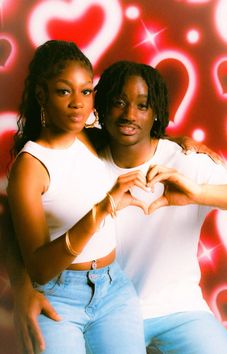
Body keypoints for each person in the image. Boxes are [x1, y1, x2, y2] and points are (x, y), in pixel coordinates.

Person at [3, 59, 227, 354]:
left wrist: (198, 193)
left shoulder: (184, 160)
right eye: (118, 103)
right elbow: (13, 216)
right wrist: (22, 289)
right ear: (100, 108)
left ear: (157, 112)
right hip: (100, 306)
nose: (129, 115)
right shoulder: (83, 152)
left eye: (143, 106)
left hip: (178, 309)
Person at [6, 42, 148, 354]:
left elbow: (136, 132)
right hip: (58, 298)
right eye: (63, 91)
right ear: (42, 96)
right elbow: (40, 268)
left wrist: (184, 141)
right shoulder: (30, 167)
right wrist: (101, 210)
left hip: (113, 289)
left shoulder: (88, 136)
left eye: (86, 91)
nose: (78, 104)